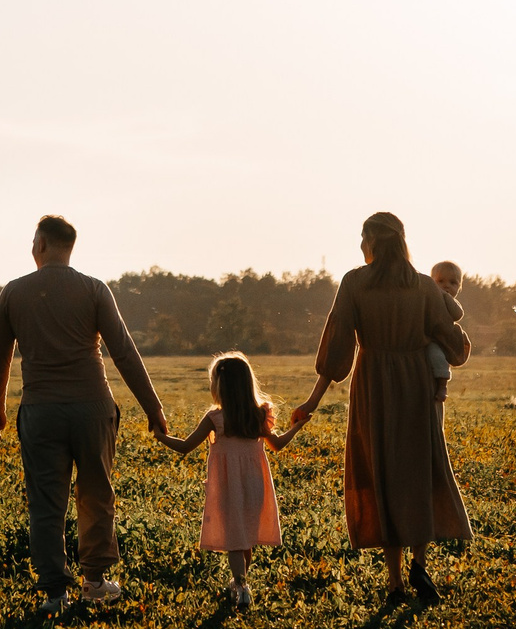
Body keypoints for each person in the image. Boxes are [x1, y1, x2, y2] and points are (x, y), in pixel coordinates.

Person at [0, 214, 167, 610]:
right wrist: (153, 408)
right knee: (96, 495)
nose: (32, 247)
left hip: (41, 411)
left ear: (43, 244)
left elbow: (0, 356)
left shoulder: (13, 292)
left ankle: (55, 592)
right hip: (93, 409)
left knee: (46, 503)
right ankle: (95, 581)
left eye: (34, 240)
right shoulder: (94, 289)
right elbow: (123, 351)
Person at [291, 211, 472, 605]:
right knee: (420, 472)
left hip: (373, 385)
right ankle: (420, 566)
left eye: (362, 238)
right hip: (416, 385)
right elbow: (453, 344)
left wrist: (312, 400)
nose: (360, 246)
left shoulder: (354, 282)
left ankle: (394, 584)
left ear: (373, 242)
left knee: (384, 475)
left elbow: (339, 350)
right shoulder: (424, 286)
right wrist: (451, 339)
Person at [155, 351, 307, 608]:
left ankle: (241, 587)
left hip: (227, 485)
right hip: (256, 484)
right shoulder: (258, 415)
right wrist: (296, 427)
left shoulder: (215, 418)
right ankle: (240, 582)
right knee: (245, 534)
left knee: (235, 539)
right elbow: (278, 445)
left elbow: (185, 446)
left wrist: (161, 437)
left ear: (219, 387)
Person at [426, 260, 465, 403]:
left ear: (459, 288)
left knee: (437, 356)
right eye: (441, 281)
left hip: (440, 340)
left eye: (453, 283)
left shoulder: (452, 302)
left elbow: (457, 314)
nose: (446, 286)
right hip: (427, 336)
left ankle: (442, 385)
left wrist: (446, 298)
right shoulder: (429, 299)